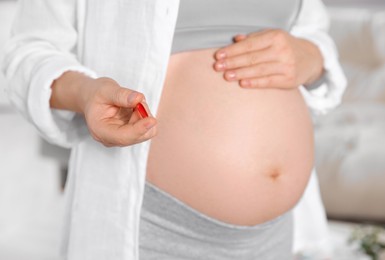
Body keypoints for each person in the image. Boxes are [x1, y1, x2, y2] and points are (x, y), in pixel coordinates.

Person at [2, 0, 346, 259]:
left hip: (276, 231)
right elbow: (26, 50)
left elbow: (311, 32)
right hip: (152, 223)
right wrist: (85, 92)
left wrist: (312, 56)